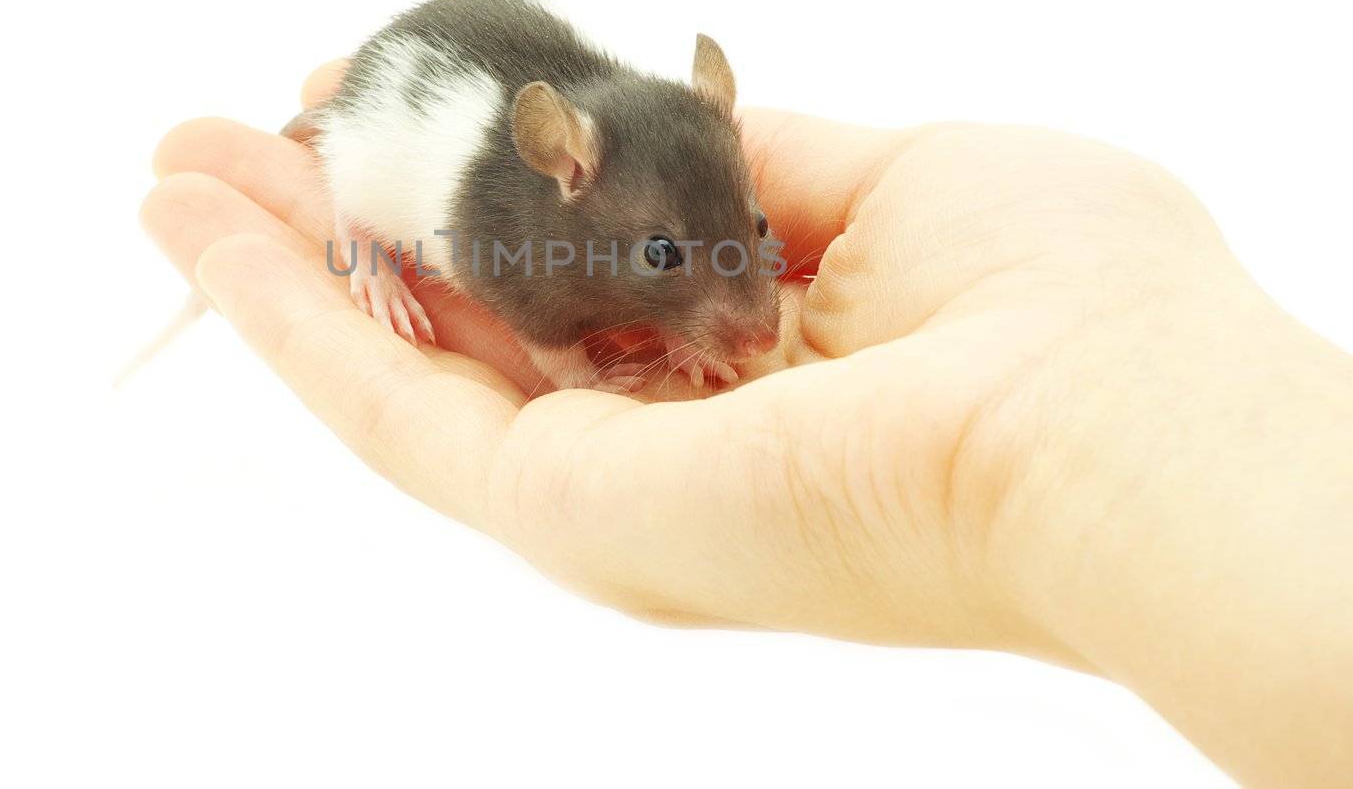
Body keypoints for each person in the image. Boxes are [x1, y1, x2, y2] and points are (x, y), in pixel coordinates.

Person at [141, 60, 1353, 789]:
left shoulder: (650, 172)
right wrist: (575, 364)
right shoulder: (519, 223)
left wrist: (1011, 454)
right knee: (368, 189)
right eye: (674, 257)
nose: (748, 311)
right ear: (564, 170)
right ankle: (355, 241)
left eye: (754, 254)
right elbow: (535, 303)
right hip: (429, 130)